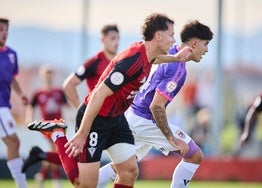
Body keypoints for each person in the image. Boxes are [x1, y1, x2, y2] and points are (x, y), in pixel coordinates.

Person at [26, 12, 193, 188]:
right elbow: (98, 94)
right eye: (171, 35)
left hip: (117, 119)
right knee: (83, 184)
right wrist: (83, 132)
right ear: (158, 36)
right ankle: (58, 134)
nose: (174, 40)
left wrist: (175, 58)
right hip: (97, 118)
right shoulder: (132, 61)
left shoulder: (147, 54)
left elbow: (155, 58)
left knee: (129, 171)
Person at [97, 19, 213, 188]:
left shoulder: (168, 53)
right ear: (194, 43)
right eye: (205, 44)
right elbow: (156, 106)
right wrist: (171, 138)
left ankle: (86, 184)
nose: (207, 50)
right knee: (194, 155)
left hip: (133, 116)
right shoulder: (177, 68)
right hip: (145, 119)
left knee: (122, 168)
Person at [22, 24, 120, 172]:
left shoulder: (120, 62)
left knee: (125, 165)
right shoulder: (94, 62)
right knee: (82, 167)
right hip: (96, 119)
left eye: (118, 38)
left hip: (115, 118)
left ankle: (42, 153)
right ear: (103, 40)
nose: (116, 42)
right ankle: (54, 141)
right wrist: (83, 111)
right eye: (112, 38)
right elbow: (69, 85)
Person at [24, 65, 68, 188]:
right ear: (42, 75)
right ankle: (56, 181)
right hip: (46, 127)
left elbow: (68, 104)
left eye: (50, 72)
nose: (49, 75)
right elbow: (31, 107)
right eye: (46, 73)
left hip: (59, 126)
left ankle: (42, 175)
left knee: (54, 152)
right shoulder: (38, 93)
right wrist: (29, 119)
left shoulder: (59, 92)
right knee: (56, 150)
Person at [0, 17, 29, 188]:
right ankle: (22, 185)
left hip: (4, 105)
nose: (4, 33)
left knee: (13, 141)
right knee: (13, 141)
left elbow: (12, 77)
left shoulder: (12, 54)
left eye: (6, 30)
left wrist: (20, 94)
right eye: (1, 29)